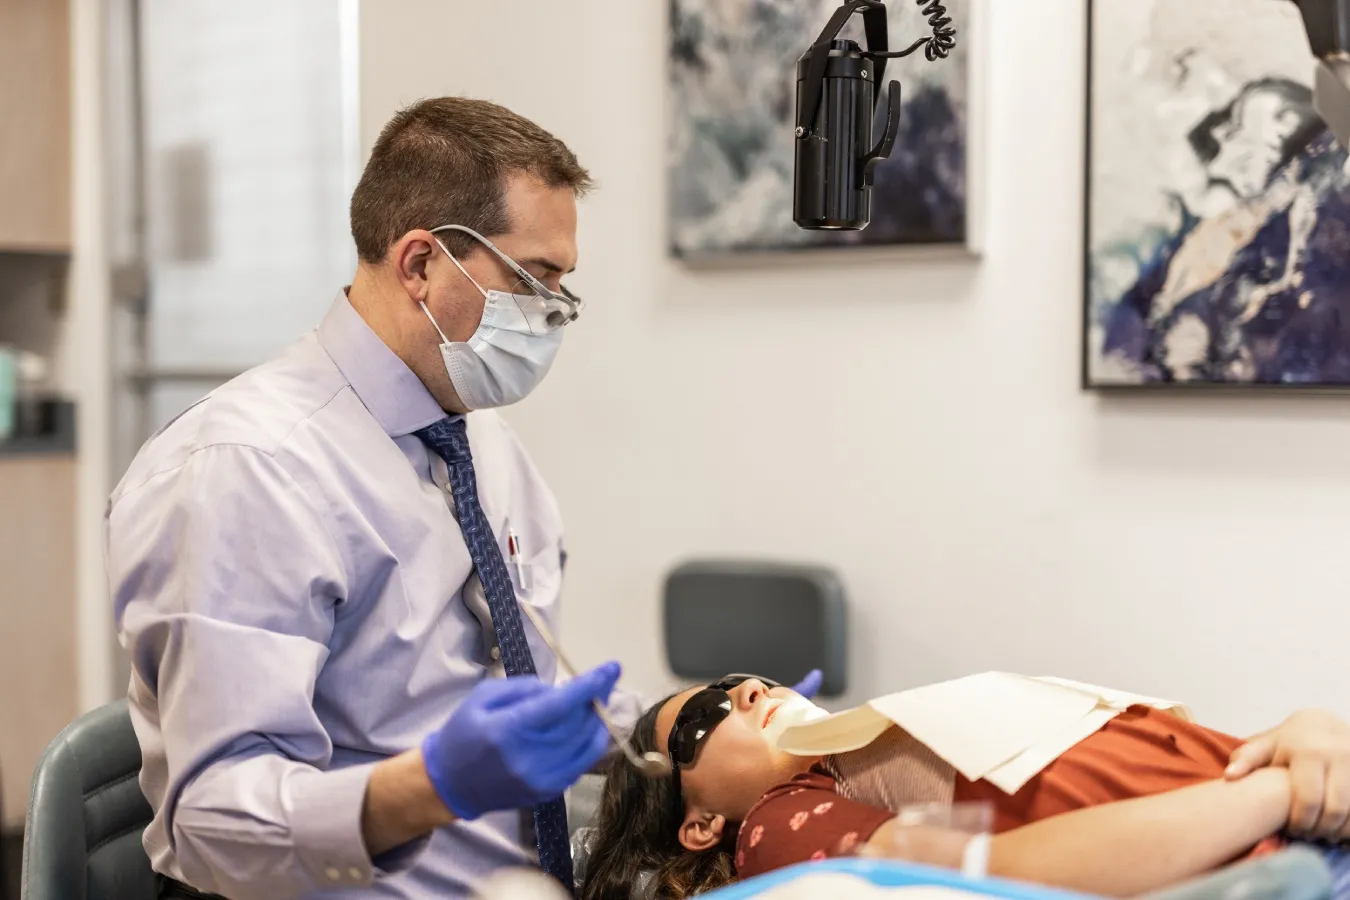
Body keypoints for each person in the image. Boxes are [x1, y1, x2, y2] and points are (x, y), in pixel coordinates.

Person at [109, 97, 658, 900]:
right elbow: (214, 825)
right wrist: (429, 788)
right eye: (534, 282)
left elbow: (518, 707)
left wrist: (678, 729)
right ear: (421, 264)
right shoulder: (247, 468)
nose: (554, 316)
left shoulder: (478, 439)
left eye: (562, 287)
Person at [581, 676, 1350, 900]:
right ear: (698, 823)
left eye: (745, 681)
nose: (747, 692)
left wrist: (1308, 731)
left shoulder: (876, 747)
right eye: (704, 718)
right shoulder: (779, 823)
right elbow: (1012, 875)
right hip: (1285, 843)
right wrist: (1280, 796)